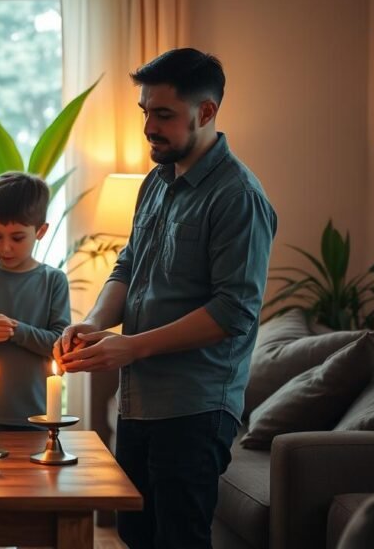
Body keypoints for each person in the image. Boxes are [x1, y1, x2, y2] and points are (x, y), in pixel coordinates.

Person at [56, 48, 277, 549]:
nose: (148, 127)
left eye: (163, 114)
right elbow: (129, 266)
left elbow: (233, 312)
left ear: (205, 112)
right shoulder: (156, 182)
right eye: (145, 111)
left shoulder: (238, 196)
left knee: (179, 539)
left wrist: (131, 347)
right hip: (140, 403)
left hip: (195, 410)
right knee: (135, 532)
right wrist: (95, 322)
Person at [0, 172, 71, 430]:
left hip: (34, 417)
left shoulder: (54, 280)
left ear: (40, 231)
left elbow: (60, 343)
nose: (5, 247)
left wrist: (19, 331)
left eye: (17, 238)